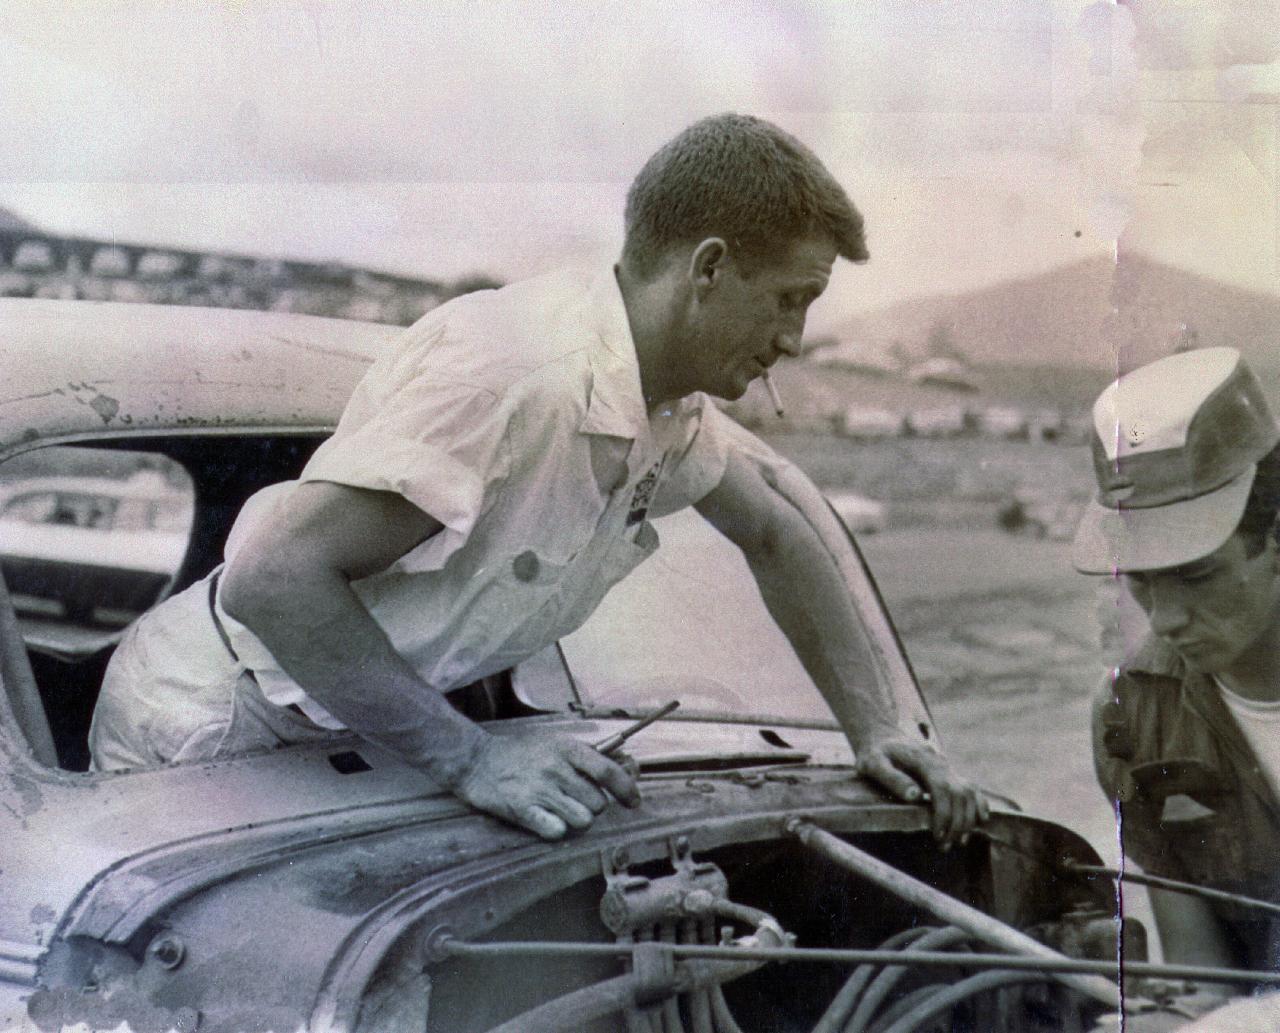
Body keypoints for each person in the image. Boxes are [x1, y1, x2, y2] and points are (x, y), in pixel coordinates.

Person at [90, 113, 985, 844]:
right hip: (216, 722)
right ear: (709, 267)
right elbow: (274, 577)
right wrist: (472, 758)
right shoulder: (513, 374)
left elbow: (778, 531)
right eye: (791, 298)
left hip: (358, 728)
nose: (794, 338)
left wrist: (877, 729)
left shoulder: (667, 402)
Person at [1074, 347, 1280, 984]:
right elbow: (1204, 978)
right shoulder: (1132, 720)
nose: (1164, 620)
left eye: (1196, 575)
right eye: (1140, 579)